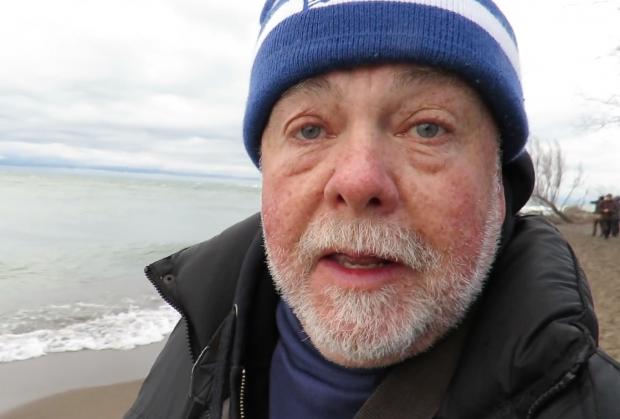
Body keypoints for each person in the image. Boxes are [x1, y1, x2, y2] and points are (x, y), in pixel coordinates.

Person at [125, 1, 620, 418]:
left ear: (500, 182)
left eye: (427, 127)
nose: (359, 181)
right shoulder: (198, 336)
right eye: (310, 129)